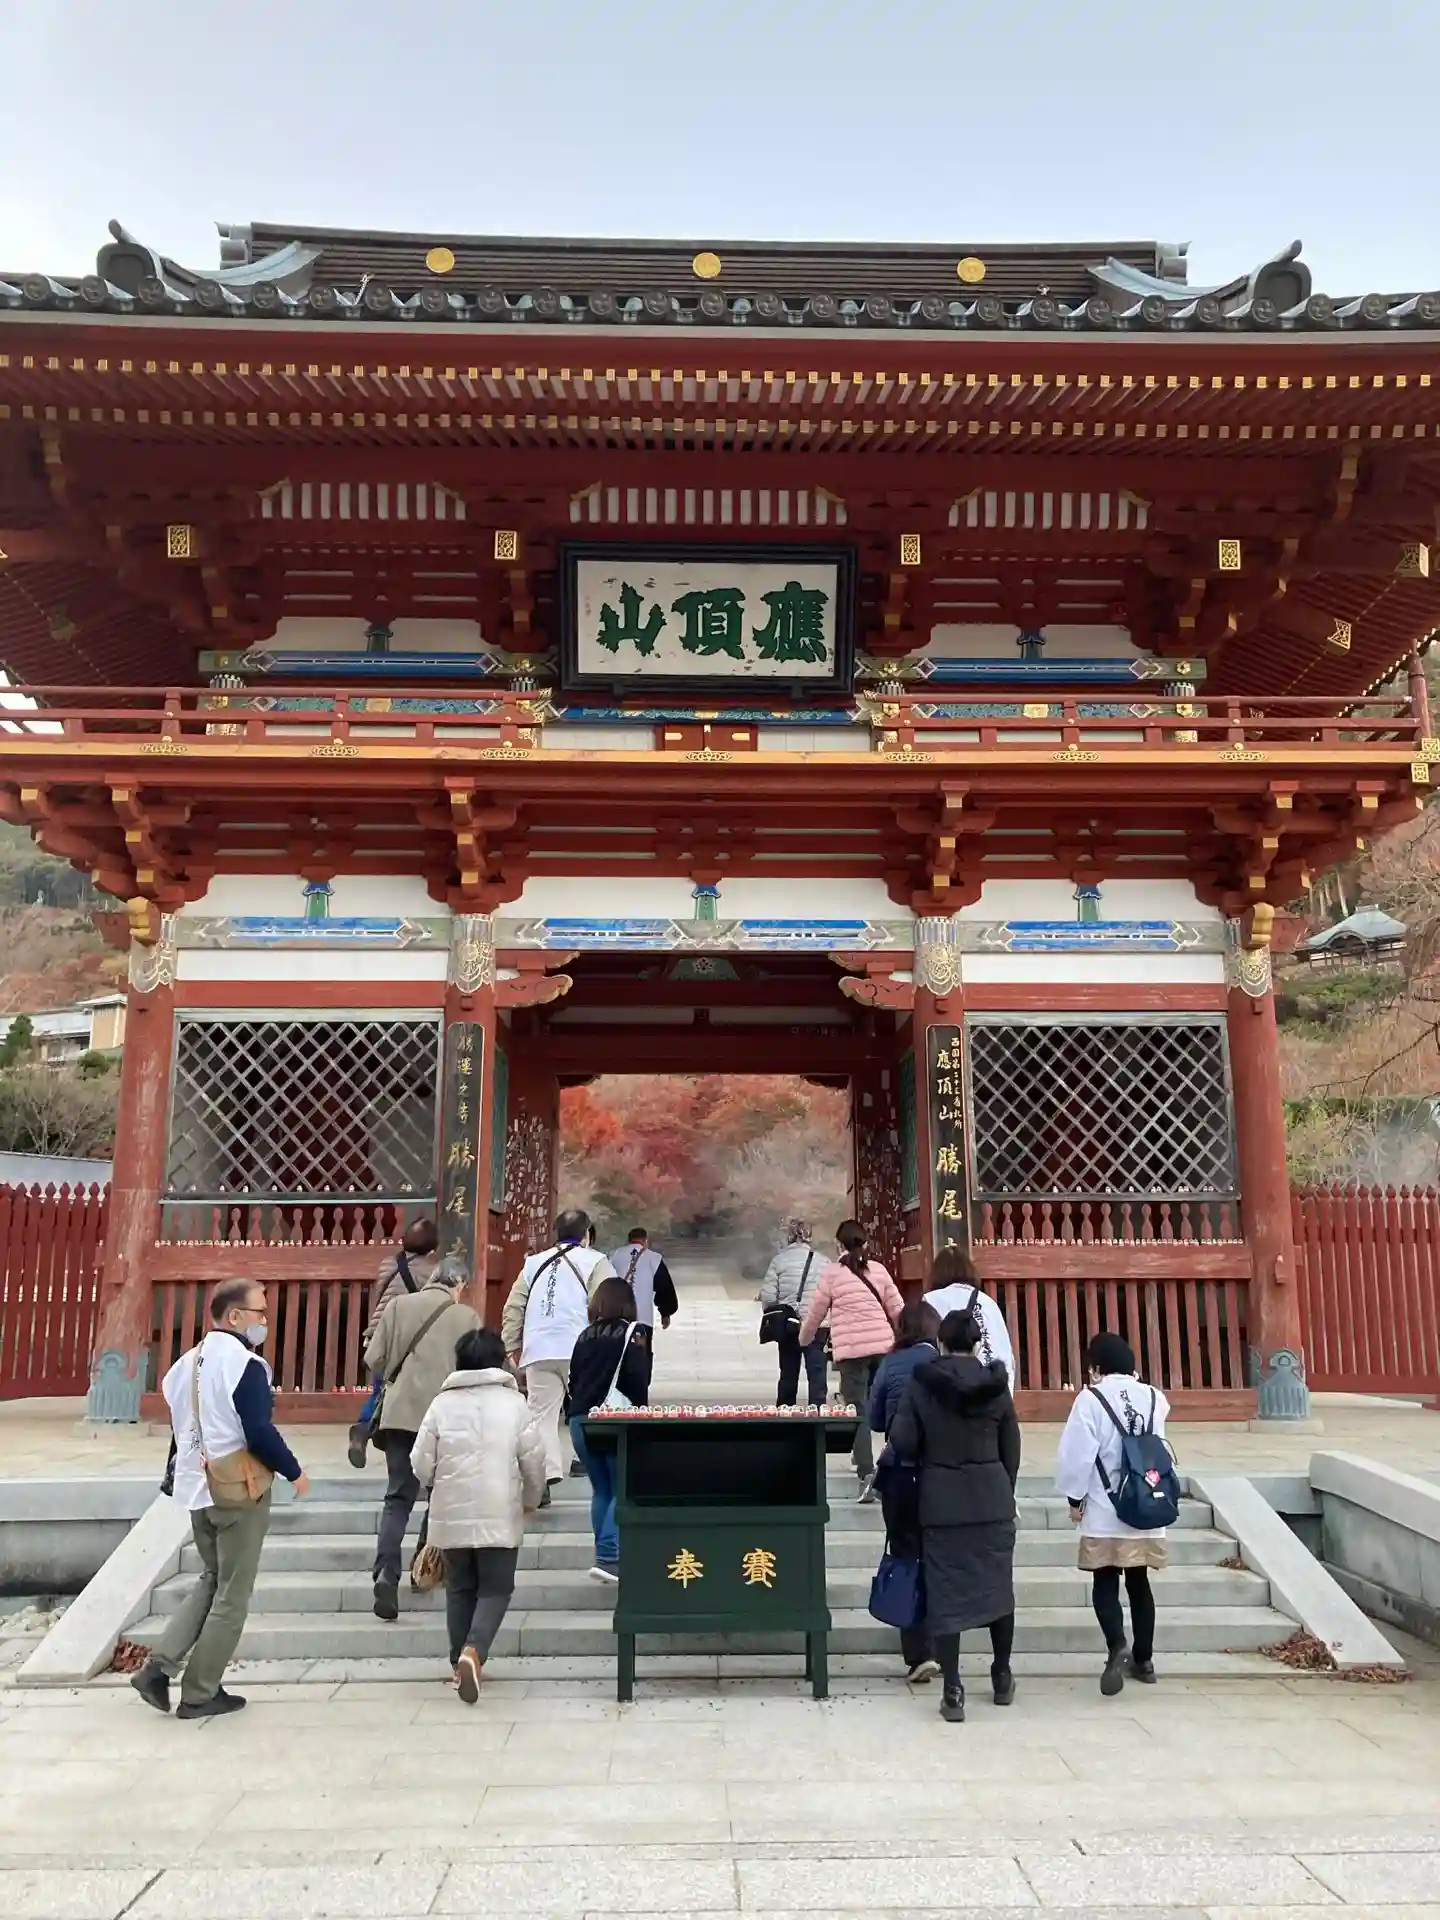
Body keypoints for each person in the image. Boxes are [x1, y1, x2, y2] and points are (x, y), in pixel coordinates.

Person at [131, 1279, 309, 1719]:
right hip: (237, 1489)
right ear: (235, 1316)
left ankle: (157, 1668)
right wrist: (294, 1470)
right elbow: (258, 1431)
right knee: (232, 1593)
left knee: (212, 1578)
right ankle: (200, 1691)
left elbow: (180, 1431)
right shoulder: (245, 1364)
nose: (264, 1321)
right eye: (260, 1312)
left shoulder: (183, 1365)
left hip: (197, 1486)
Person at [888, 1309, 1021, 1723]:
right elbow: (1011, 1447)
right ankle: (1001, 1674)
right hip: (992, 1501)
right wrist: (1003, 1489)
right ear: (977, 1344)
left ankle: (953, 1688)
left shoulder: (922, 1384)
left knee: (945, 1594)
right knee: (997, 1587)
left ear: (941, 1344)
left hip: (942, 1503)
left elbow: (903, 1441)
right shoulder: (996, 1387)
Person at [410, 1326, 547, 1703]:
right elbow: (534, 1461)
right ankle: (474, 1651)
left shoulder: (441, 1405)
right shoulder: (514, 1404)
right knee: (496, 1588)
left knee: (459, 1588)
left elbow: (419, 1461)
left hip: (450, 1510)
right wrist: (531, 1499)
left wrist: (436, 1483)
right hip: (499, 1508)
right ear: (499, 1361)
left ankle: (459, 1664)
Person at [1055, 1331, 1172, 1696]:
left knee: (1104, 1580)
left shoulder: (1090, 1400)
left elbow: (1076, 1456)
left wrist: (1074, 1500)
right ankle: (1145, 1660)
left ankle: (1116, 1644)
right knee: (1139, 1582)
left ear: (1095, 1367)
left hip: (1106, 1507)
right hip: (1146, 1499)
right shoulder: (1154, 1398)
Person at [364, 1257, 478, 1622]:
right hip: (446, 1417)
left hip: (400, 1415)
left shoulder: (398, 1306)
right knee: (440, 1495)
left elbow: (374, 1358)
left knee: (398, 1497)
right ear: (458, 1283)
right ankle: (422, 1567)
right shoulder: (467, 1317)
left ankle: (386, 1573)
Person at [502, 1209, 615, 1492]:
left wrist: (511, 1346)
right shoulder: (595, 1261)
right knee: (587, 1407)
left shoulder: (533, 1264)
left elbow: (513, 1307)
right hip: (581, 1348)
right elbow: (607, 1305)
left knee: (541, 1414)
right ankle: (582, 1459)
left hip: (539, 1349)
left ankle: (544, 1475)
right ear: (587, 1234)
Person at [797, 1218, 903, 1498]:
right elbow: (898, 1309)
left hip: (852, 1355)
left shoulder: (832, 1274)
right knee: (891, 1408)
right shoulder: (878, 1270)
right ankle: (895, 1469)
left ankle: (867, 1475)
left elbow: (815, 1314)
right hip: (883, 1349)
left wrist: (804, 1340)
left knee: (858, 1412)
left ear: (838, 1245)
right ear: (865, 1244)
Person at [868, 1300, 942, 1683]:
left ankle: (918, 1654)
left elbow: (875, 1417)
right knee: (940, 1556)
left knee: (905, 1554)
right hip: (941, 1475)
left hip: (900, 1473)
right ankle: (944, 1646)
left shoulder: (891, 1363)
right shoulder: (945, 1365)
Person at [566, 1276, 652, 1583]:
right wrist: (641, 1413)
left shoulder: (584, 1335)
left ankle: (605, 1557)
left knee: (602, 1489)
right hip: (615, 1420)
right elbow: (638, 1379)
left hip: (580, 1419)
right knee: (623, 1486)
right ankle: (608, 1555)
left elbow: (573, 1380)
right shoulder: (634, 1332)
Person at [349, 1217, 441, 1468]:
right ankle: (407, 1447)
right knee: (411, 1393)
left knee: (380, 1390)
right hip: (404, 1339)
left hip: (377, 1334)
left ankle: (363, 1428)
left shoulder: (388, 1264)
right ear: (432, 1248)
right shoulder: (431, 1271)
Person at [923, 1244, 1017, 1389]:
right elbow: (1005, 1355)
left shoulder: (930, 1300)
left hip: (950, 1391)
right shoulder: (988, 1303)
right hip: (993, 1390)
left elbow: (924, 1353)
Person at [758, 1218, 827, 1409]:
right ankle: (818, 1415)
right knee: (817, 1375)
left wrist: (778, 1310)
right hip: (816, 1326)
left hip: (789, 1324)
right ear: (809, 1236)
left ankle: (786, 1414)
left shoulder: (778, 1261)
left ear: (788, 1236)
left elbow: (769, 1298)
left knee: (788, 1374)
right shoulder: (823, 1262)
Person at [607, 1227, 678, 1333]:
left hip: (616, 1317)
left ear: (629, 1240)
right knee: (642, 1343)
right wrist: (665, 1313)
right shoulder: (654, 1258)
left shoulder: (614, 1256)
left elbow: (604, 1284)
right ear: (646, 1240)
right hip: (643, 1319)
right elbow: (664, 1289)